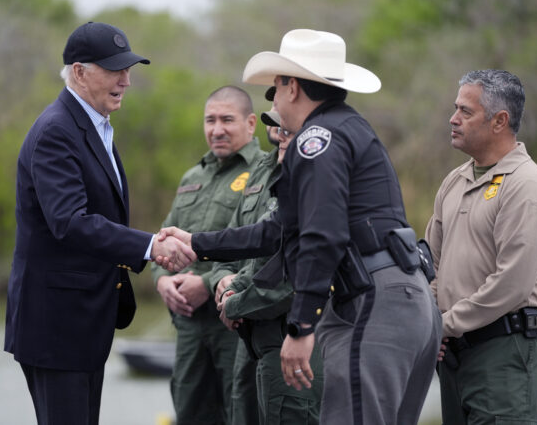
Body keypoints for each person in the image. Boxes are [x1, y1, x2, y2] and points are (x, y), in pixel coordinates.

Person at [158, 29, 442, 424]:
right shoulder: (347, 127)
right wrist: (198, 243)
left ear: (292, 87)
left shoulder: (317, 139)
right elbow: (277, 232)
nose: (273, 99)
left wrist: (302, 325)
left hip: (373, 302)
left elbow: (321, 237)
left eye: (275, 88)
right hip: (403, 299)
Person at [3, 22, 195, 425]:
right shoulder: (57, 130)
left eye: (128, 70)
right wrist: (150, 246)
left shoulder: (94, 125)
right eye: (114, 70)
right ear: (79, 72)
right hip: (56, 328)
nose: (125, 80)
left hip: (82, 326)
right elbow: (70, 222)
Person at [425, 69, 537, 424]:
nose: (453, 119)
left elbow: (511, 286)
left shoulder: (528, 187)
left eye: (465, 112)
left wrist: (443, 325)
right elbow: (431, 266)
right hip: (453, 355)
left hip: (504, 357)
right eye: (455, 109)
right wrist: (430, 320)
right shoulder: (454, 181)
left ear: (500, 121)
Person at [151, 85, 266, 425]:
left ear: (250, 123)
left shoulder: (264, 173)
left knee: (241, 412)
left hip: (235, 325)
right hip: (189, 327)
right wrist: (161, 282)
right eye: (210, 120)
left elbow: (266, 246)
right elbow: (164, 236)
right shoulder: (192, 176)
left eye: (227, 120)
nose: (217, 129)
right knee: (189, 411)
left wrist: (206, 282)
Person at [212, 96, 324, 424]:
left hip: (294, 336)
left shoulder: (317, 178)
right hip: (251, 336)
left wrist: (235, 303)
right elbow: (233, 241)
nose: (276, 122)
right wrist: (222, 283)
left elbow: (293, 271)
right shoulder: (259, 172)